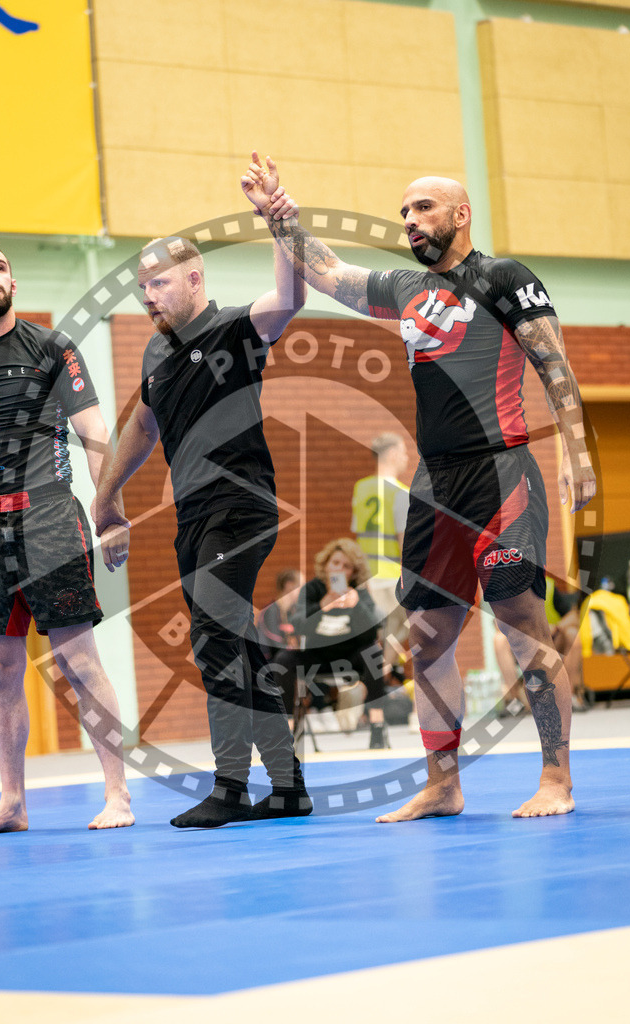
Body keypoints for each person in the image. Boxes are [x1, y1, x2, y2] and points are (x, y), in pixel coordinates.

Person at [241, 157, 597, 820]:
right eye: (404, 211)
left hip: (500, 471)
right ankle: (442, 784)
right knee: (428, 635)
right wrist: (279, 218)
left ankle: (555, 779)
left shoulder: (503, 277)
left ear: (460, 215)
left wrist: (576, 454)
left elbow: (552, 362)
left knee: (520, 624)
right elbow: (326, 273)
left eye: (423, 208)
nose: (409, 221)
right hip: (435, 485)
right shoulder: (404, 287)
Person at [93, 158, 311, 828]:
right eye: (139, 288)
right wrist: (104, 505)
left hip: (241, 507)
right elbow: (138, 430)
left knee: (215, 640)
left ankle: (229, 786)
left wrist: (281, 224)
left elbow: (290, 298)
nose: (147, 296)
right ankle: (286, 785)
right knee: (234, 644)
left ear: (193, 278)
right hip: (191, 517)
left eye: (157, 283)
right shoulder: (156, 356)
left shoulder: (235, 329)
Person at [0, 241, 134, 837]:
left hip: (48, 516)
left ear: (13, 282)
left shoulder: (52, 348)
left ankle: (118, 794)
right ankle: (13, 802)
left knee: (77, 659)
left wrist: (112, 511)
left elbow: (96, 432)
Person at [289, 538, 388, 748]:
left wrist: (357, 605)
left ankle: (377, 725)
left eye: (346, 566)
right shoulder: (312, 589)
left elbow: (372, 633)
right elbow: (297, 625)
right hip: (318, 656)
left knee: (374, 654)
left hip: (350, 657)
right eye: (335, 563)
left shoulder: (359, 593)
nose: (339, 570)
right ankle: (288, 727)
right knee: (284, 658)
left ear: (353, 572)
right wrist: (323, 605)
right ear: (325, 565)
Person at [351, 432, 410, 677]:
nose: (407, 458)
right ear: (393, 454)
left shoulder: (361, 488)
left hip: (368, 574)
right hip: (391, 573)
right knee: (411, 624)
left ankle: (384, 671)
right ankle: (384, 673)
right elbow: (403, 539)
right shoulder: (400, 491)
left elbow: (357, 534)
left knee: (385, 629)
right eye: (404, 452)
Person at [494, 579, 586, 715]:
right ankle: (514, 702)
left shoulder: (549, 586)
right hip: (523, 646)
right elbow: (498, 622)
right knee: (499, 640)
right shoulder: (509, 589)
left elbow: (573, 616)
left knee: (574, 636)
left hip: (551, 642)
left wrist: (555, 628)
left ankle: (570, 697)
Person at [256, 568, 304, 661]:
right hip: (269, 662)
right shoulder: (270, 611)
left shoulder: (292, 610)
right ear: (289, 585)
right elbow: (274, 643)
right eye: (302, 586)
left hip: (284, 659)